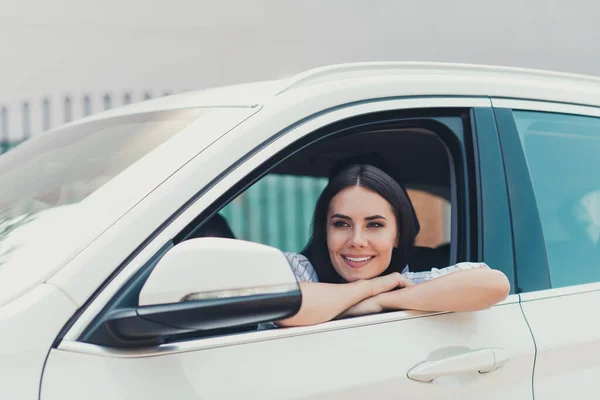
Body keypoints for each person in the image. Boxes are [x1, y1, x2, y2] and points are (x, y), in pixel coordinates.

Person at [274, 162, 510, 328]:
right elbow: (287, 307)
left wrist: (380, 301)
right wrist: (370, 288)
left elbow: (494, 283)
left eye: (374, 225)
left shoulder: (407, 283)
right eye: (342, 224)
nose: (356, 240)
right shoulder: (300, 270)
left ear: (398, 235)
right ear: (325, 231)